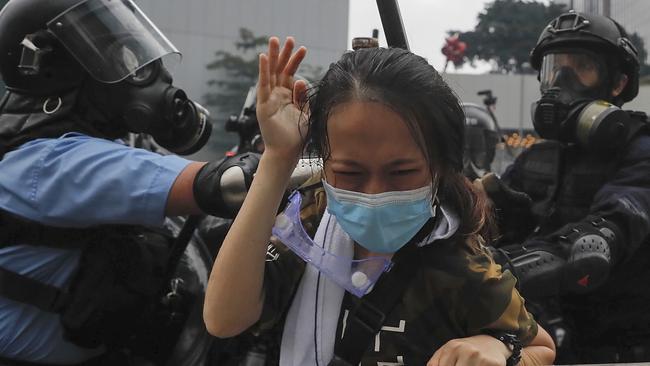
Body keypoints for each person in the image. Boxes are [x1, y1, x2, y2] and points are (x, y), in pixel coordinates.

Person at [203, 36, 556, 366]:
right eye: (350, 173)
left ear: (441, 167)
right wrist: (278, 158)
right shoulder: (305, 228)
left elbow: (540, 348)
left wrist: (497, 348)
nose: (374, 194)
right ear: (322, 165)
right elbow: (224, 318)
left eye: (401, 173)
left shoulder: (462, 265)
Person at [0, 0, 260, 364]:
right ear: (52, 68)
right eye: (112, 57)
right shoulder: (55, 162)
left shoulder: (57, 143)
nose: (137, 69)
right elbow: (218, 184)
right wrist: (306, 159)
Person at [480, 10, 650, 363]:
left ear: (617, 83)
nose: (561, 82)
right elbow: (481, 229)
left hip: (623, 353)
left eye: (580, 68)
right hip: (539, 345)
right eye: (554, 69)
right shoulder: (537, 157)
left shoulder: (641, 149)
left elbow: (598, 239)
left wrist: (497, 268)